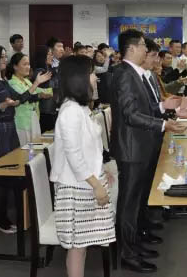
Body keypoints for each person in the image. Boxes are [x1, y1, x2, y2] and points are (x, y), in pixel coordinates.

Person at [110, 29, 187, 273]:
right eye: (144, 45)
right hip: (131, 149)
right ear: (132, 48)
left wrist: (162, 111)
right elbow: (130, 115)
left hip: (140, 146)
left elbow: (145, 108)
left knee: (137, 200)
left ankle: (136, 244)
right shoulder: (124, 74)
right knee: (129, 203)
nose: (147, 49)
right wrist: (163, 124)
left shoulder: (135, 74)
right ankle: (127, 254)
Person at [50, 55, 116, 277]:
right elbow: (74, 155)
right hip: (76, 187)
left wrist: (102, 171)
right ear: (79, 78)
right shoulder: (70, 111)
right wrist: (96, 184)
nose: (96, 78)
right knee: (78, 246)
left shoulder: (81, 108)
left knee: (83, 244)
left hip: (86, 183)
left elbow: (90, 148)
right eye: (92, 73)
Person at [0, 44, 50, 233]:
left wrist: (35, 83)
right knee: (1, 177)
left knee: (9, 175)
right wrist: (3, 105)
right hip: (0, 129)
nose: (5, 60)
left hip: (9, 127)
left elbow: (19, 99)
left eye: (5, 56)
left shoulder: (2, 81)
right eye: (2, 57)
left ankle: (5, 217)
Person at [7, 52, 52, 145]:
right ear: (15, 66)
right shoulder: (11, 83)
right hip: (22, 122)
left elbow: (38, 91)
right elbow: (24, 98)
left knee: (36, 146)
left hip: (34, 118)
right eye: (25, 64)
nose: (28, 67)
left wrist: (52, 91)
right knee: (25, 149)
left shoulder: (26, 81)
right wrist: (37, 84)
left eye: (28, 64)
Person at [42, 38, 65, 132]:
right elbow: (47, 83)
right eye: (59, 46)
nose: (62, 49)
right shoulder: (43, 64)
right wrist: (48, 66)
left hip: (59, 104)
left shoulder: (61, 63)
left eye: (62, 46)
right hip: (48, 106)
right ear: (50, 49)